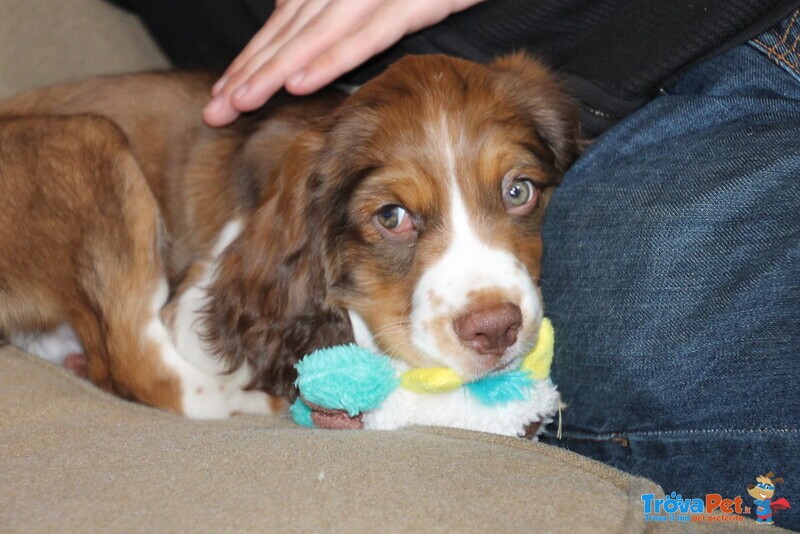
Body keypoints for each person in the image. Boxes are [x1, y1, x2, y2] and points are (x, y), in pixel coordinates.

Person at [112, 0, 800, 529]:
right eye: (394, 216)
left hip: (743, 40)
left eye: (518, 190)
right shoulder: (300, 174)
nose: (489, 312)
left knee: (630, 321)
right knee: (621, 332)